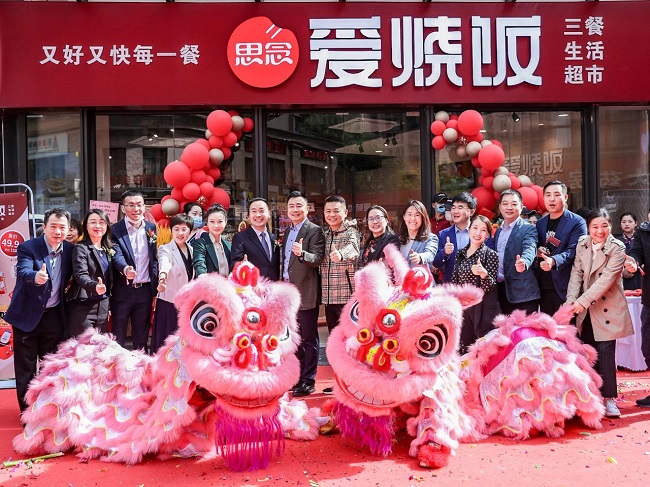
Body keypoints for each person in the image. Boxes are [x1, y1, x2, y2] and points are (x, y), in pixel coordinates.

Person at [4, 208, 74, 413]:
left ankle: (46, 410)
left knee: (50, 367)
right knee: (25, 368)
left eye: (62, 227)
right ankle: (27, 413)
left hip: (54, 317)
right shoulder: (28, 247)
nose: (57, 231)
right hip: (26, 316)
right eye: (53, 226)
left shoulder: (70, 250)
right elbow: (22, 270)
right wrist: (35, 277)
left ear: (68, 230)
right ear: (43, 227)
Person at [566, 208, 633, 418]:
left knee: (605, 353)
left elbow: (606, 280)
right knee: (587, 352)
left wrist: (582, 302)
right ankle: (590, 398)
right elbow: (576, 273)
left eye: (604, 226)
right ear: (588, 228)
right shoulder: (582, 243)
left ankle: (610, 399)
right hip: (584, 309)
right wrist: (569, 304)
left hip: (606, 307)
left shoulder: (617, 247)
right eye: (595, 226)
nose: (600, 231)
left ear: (611, 226)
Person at [282, 191, 325, 397]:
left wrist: (302, 254)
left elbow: (316, 258)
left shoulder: (314, 231)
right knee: (294, 338)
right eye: (291, 206)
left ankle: (309, 379)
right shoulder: (286, 232)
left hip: (306, 293)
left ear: (307, 209)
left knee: (309, 338)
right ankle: (297, 377)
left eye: (299, 206)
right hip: (288, 295)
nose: (295, 210)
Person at [110, 190, 158, 352]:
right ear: (123, 208)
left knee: (141, 334)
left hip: (144, 290)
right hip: (123, 289)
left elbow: (154, 257)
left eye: (139, 205)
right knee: (118, 333)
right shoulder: (114, 230)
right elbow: (115, 254)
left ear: (144, 207)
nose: (135, 209)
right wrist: (125, 268)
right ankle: (116, 368)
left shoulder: (151, 228)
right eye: (131, 205)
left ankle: (140, 368)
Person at [535, 180, 587, 315]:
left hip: (566, 285)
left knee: (567, 331)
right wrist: (537, 251)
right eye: (548, 195)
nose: (552, 199)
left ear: (565, 197)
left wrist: (553, 261)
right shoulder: (540, 223)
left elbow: (574, 250)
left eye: (557, 195)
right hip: (543, 286)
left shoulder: (577, 222)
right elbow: (535, 245)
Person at [451, 215, 500, 354]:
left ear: (487, 235)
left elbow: (491, 287)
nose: (478, 233)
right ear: (469, 229)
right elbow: (455, 282)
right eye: (475, 228)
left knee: (484, 350)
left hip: (483, 310)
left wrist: (483, 274)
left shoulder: (491, 255)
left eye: (483, 230)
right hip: (464, 308)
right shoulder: (460, 254)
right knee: (465, 348)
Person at [66, 209, 114, 338]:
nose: (97, 226)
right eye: (93, 222)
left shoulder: (108, 249)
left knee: (99, 348)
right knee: (82, 348)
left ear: (107, 226)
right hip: (84, 305)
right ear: (86, 226)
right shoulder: (81, 248)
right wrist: (94, 286)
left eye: (101, 222)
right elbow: (80, 275)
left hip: (103, 305)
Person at [151, 214, 194, 354]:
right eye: (176, 229)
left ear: (190, 231)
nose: (180, 233)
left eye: (184, 229)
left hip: (187, 302)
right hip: (169, 300)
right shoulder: (165, 249)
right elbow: (164, 264)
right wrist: (162, 278)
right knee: (168, 339)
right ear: (171, 230)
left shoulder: (193, 250)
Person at [494, 190, 540, 314]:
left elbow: (530, 247)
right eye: (505, 204)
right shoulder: (498, 231)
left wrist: (524, 262)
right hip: (501, 291)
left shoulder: (528, 229)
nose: (509, 207)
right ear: (500, 207)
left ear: (521, 207)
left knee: (526, 332)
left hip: (523, 293)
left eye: (514, 204)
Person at [433, 192, 493, 283]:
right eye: (453, 207)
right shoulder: (444, 234)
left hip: (475, 288)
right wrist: (444, 252)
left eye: (460, 208)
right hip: (451, 288)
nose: (455, 211)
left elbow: (491, 262)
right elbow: (436, 263)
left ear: (472, 211)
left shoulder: (482, 233)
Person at [624, 217, 650, 407]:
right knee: (647, 346)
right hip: (649, 299)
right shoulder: (643, 231)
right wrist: (633, 263)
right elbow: (635, 253)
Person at [230, 197, 281, 280]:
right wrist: (242, 266)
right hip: (252, 288)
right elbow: (234, 265)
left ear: (268, 214)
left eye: (261, 211)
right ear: (249, 216)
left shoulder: (273, 238)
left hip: (273, 288)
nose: (258, 215)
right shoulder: (240, 238)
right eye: (254, 211)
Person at [398, 199, 438, 269]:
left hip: (420, 279)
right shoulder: (398, 239)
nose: (413, 218)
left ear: (423, 218)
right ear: (404, 217)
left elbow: (430, 254)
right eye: (409, 214)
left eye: (417, 215)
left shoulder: (430, 238)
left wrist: (420, 257)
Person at [192, 204, 231, 277]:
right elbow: (199, 263)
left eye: (220, 221)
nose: (216, 225)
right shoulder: (200, 243)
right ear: (207, 223)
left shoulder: (229, 245)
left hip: (228, 286)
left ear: (225, 222)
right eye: (212, 222)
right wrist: (202, 276)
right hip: (208, 285)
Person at [616, 212, 642, 290]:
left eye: (630, 222)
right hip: (623, 277)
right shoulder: (616, 241)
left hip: (641, 277)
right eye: (624, 222)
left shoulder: (642, 239)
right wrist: (622, 270)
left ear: (636, 223)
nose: (627, 224)